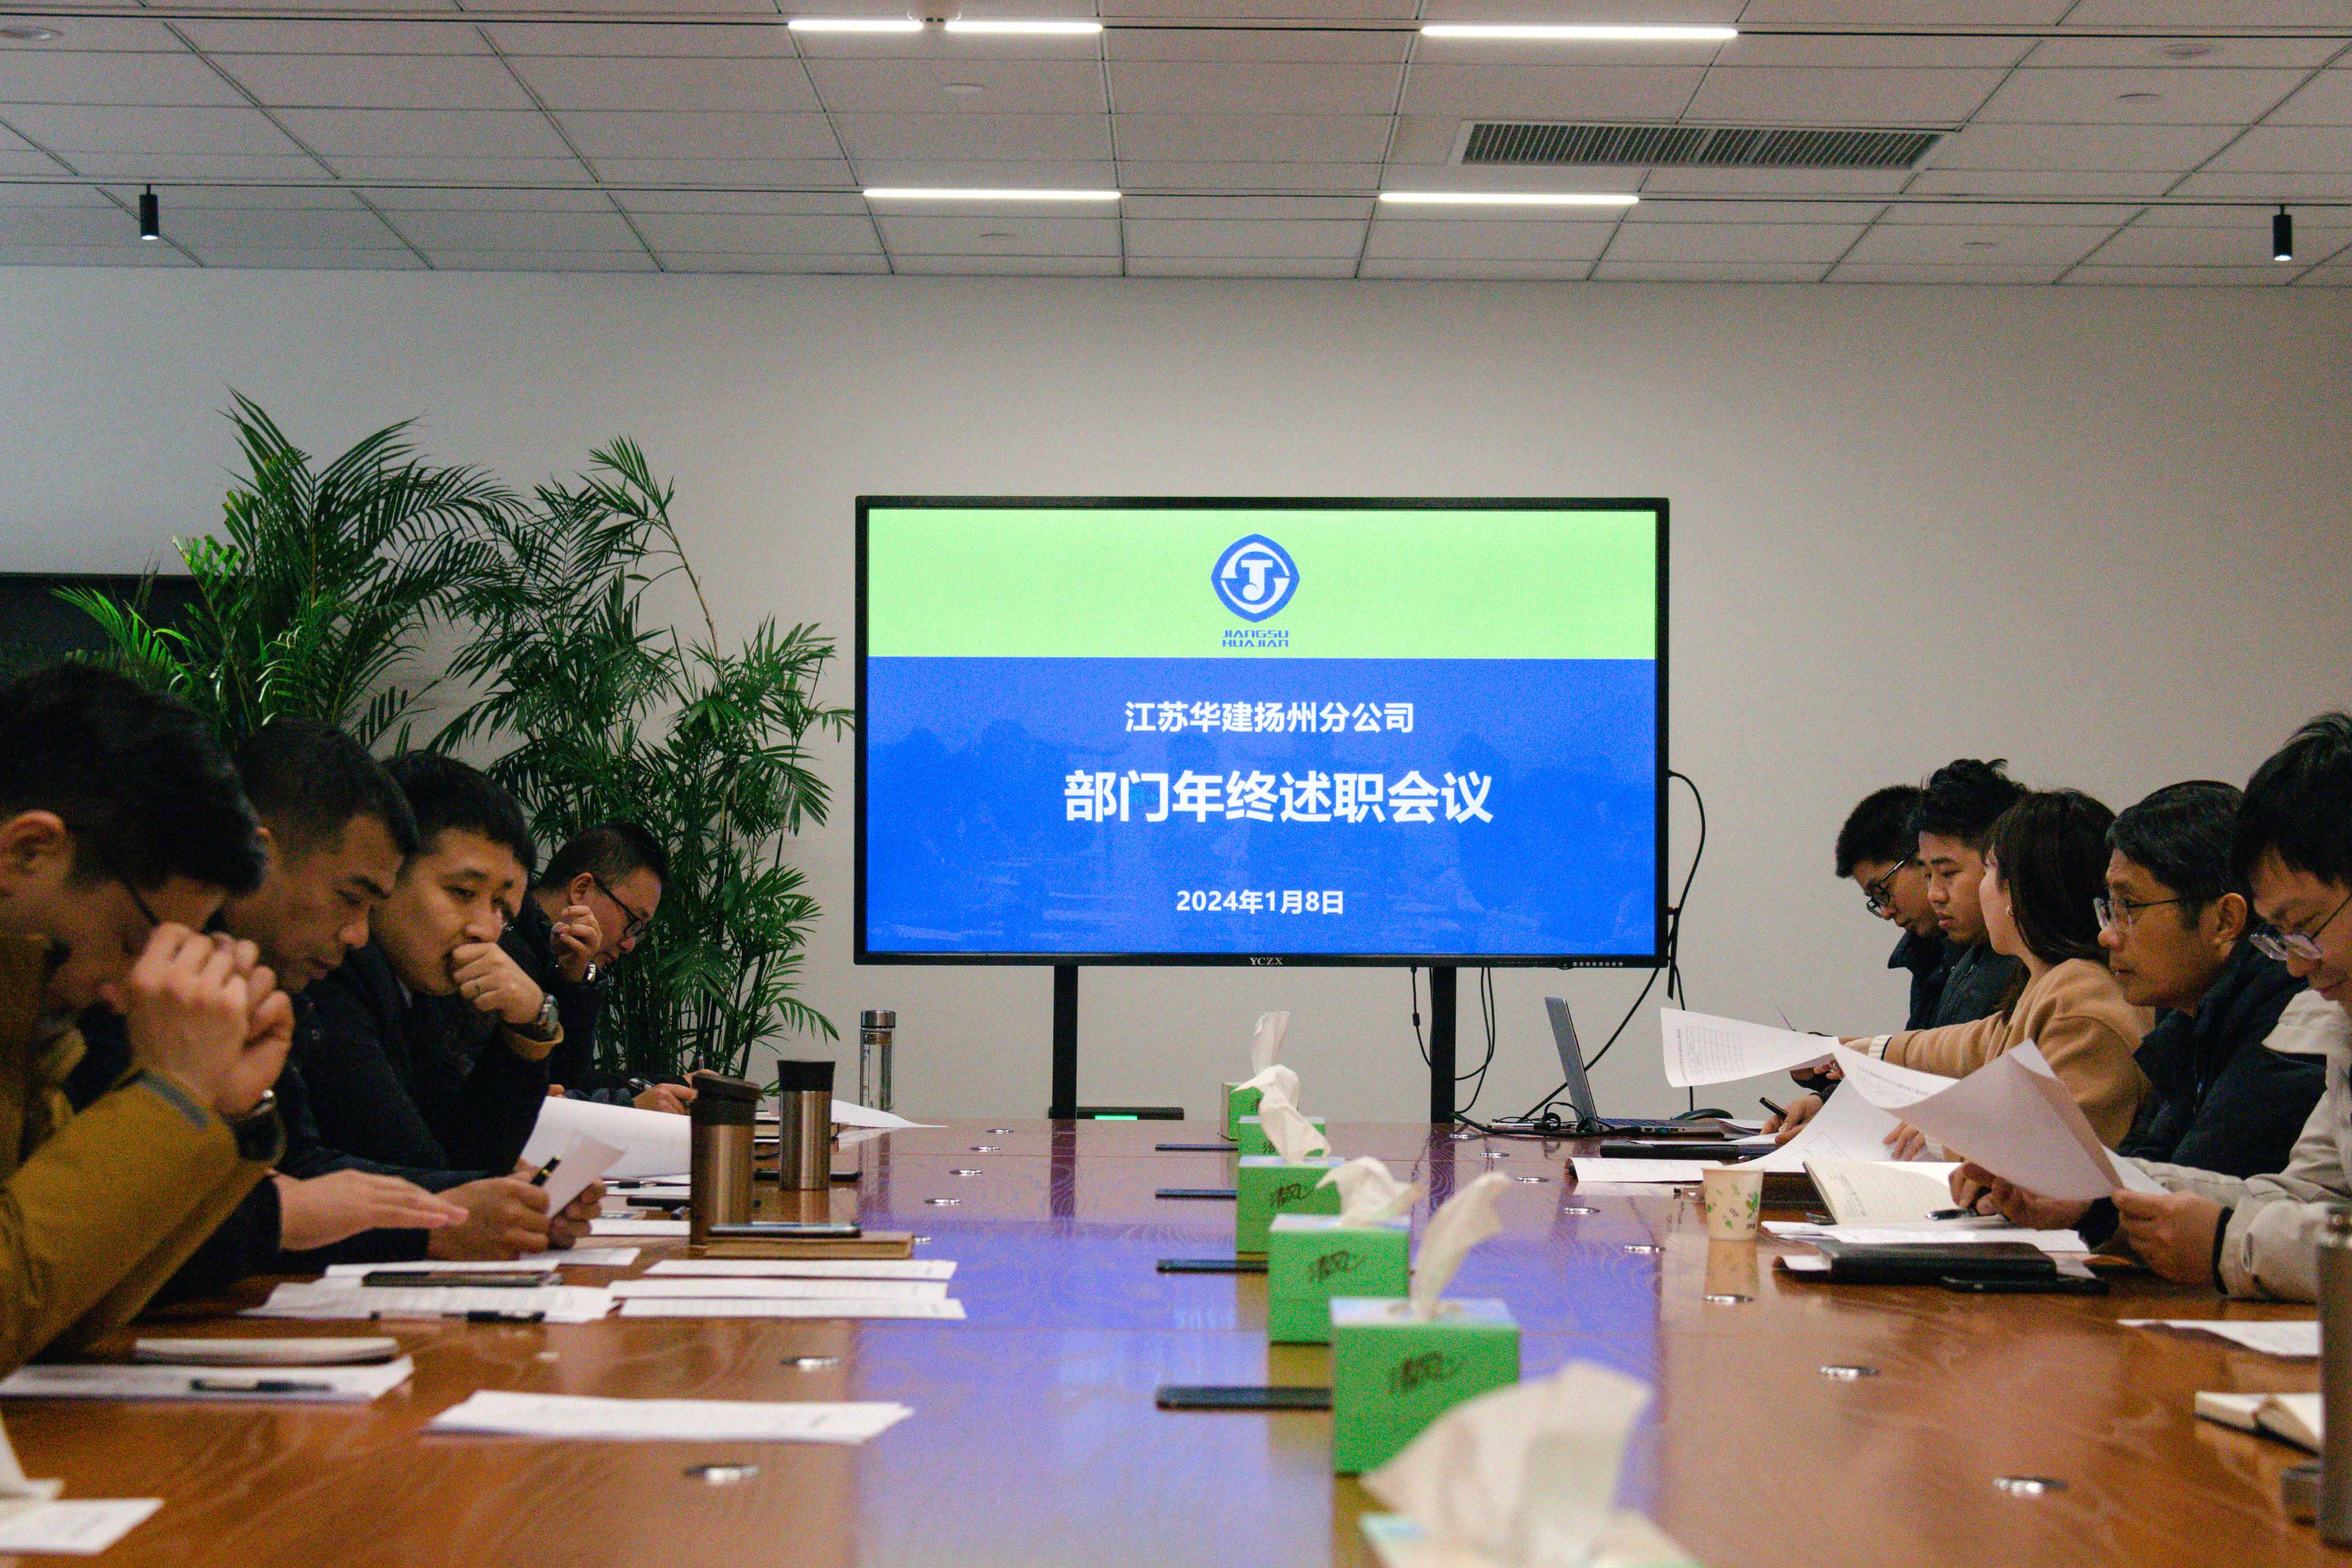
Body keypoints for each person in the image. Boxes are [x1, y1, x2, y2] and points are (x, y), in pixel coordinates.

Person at [66, 719, 468, 1295]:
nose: (359, 935)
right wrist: (277, 1214)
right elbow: (78, 1243)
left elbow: (292, 1169)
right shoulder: (149, 971)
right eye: (349, 898)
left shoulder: (263, 971)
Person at [1969, 716, 2352, 1299]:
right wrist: (2093, 1193)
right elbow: (2309, 1199)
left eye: (2304, 927)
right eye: (2283, 936)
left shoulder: (2292, 1021)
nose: (2296, 964)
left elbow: (2262, 1219)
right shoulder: (2335, 1020)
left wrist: (2227, 1243)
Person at [0, 663, 291, 1373]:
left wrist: (222, 1113)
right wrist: (168, 1097)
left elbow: (52, 1314)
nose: (131, 992)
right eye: (137, 940)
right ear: (28, 851)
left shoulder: (29, 1025)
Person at [298, 752, 598, 1259]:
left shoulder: (426, 986)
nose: (486, 929)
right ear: (388, 873)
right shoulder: (332, 968)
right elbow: (410, 1160)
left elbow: (463, 1153)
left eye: (502, 908)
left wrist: (530, 1024)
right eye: (463, 892)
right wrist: (491, 1195)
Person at [1777, 788, 2150, 1146]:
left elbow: (2058, 1156)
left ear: (2020, 891)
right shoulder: (2052, 984)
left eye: (1988, 871)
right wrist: (1866, 1051)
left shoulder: (2080, 1002)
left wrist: (1942, 1134)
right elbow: (1967, 1045)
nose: (1934, 894)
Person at [502, 821, 686, 1113]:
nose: (630, 943)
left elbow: (571, 1081)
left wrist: (675, 1085)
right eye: (633, 922)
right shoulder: (504, 951)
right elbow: (523, 1100)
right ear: (582, 889)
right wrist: (630, 1108)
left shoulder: (557, 959)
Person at [1834, 784, 1951, 1032]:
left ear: (1921, 856)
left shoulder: (2001, 953)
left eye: (1882, 891)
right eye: (1875, 900)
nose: (1886, 913)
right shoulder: (1926, 955)